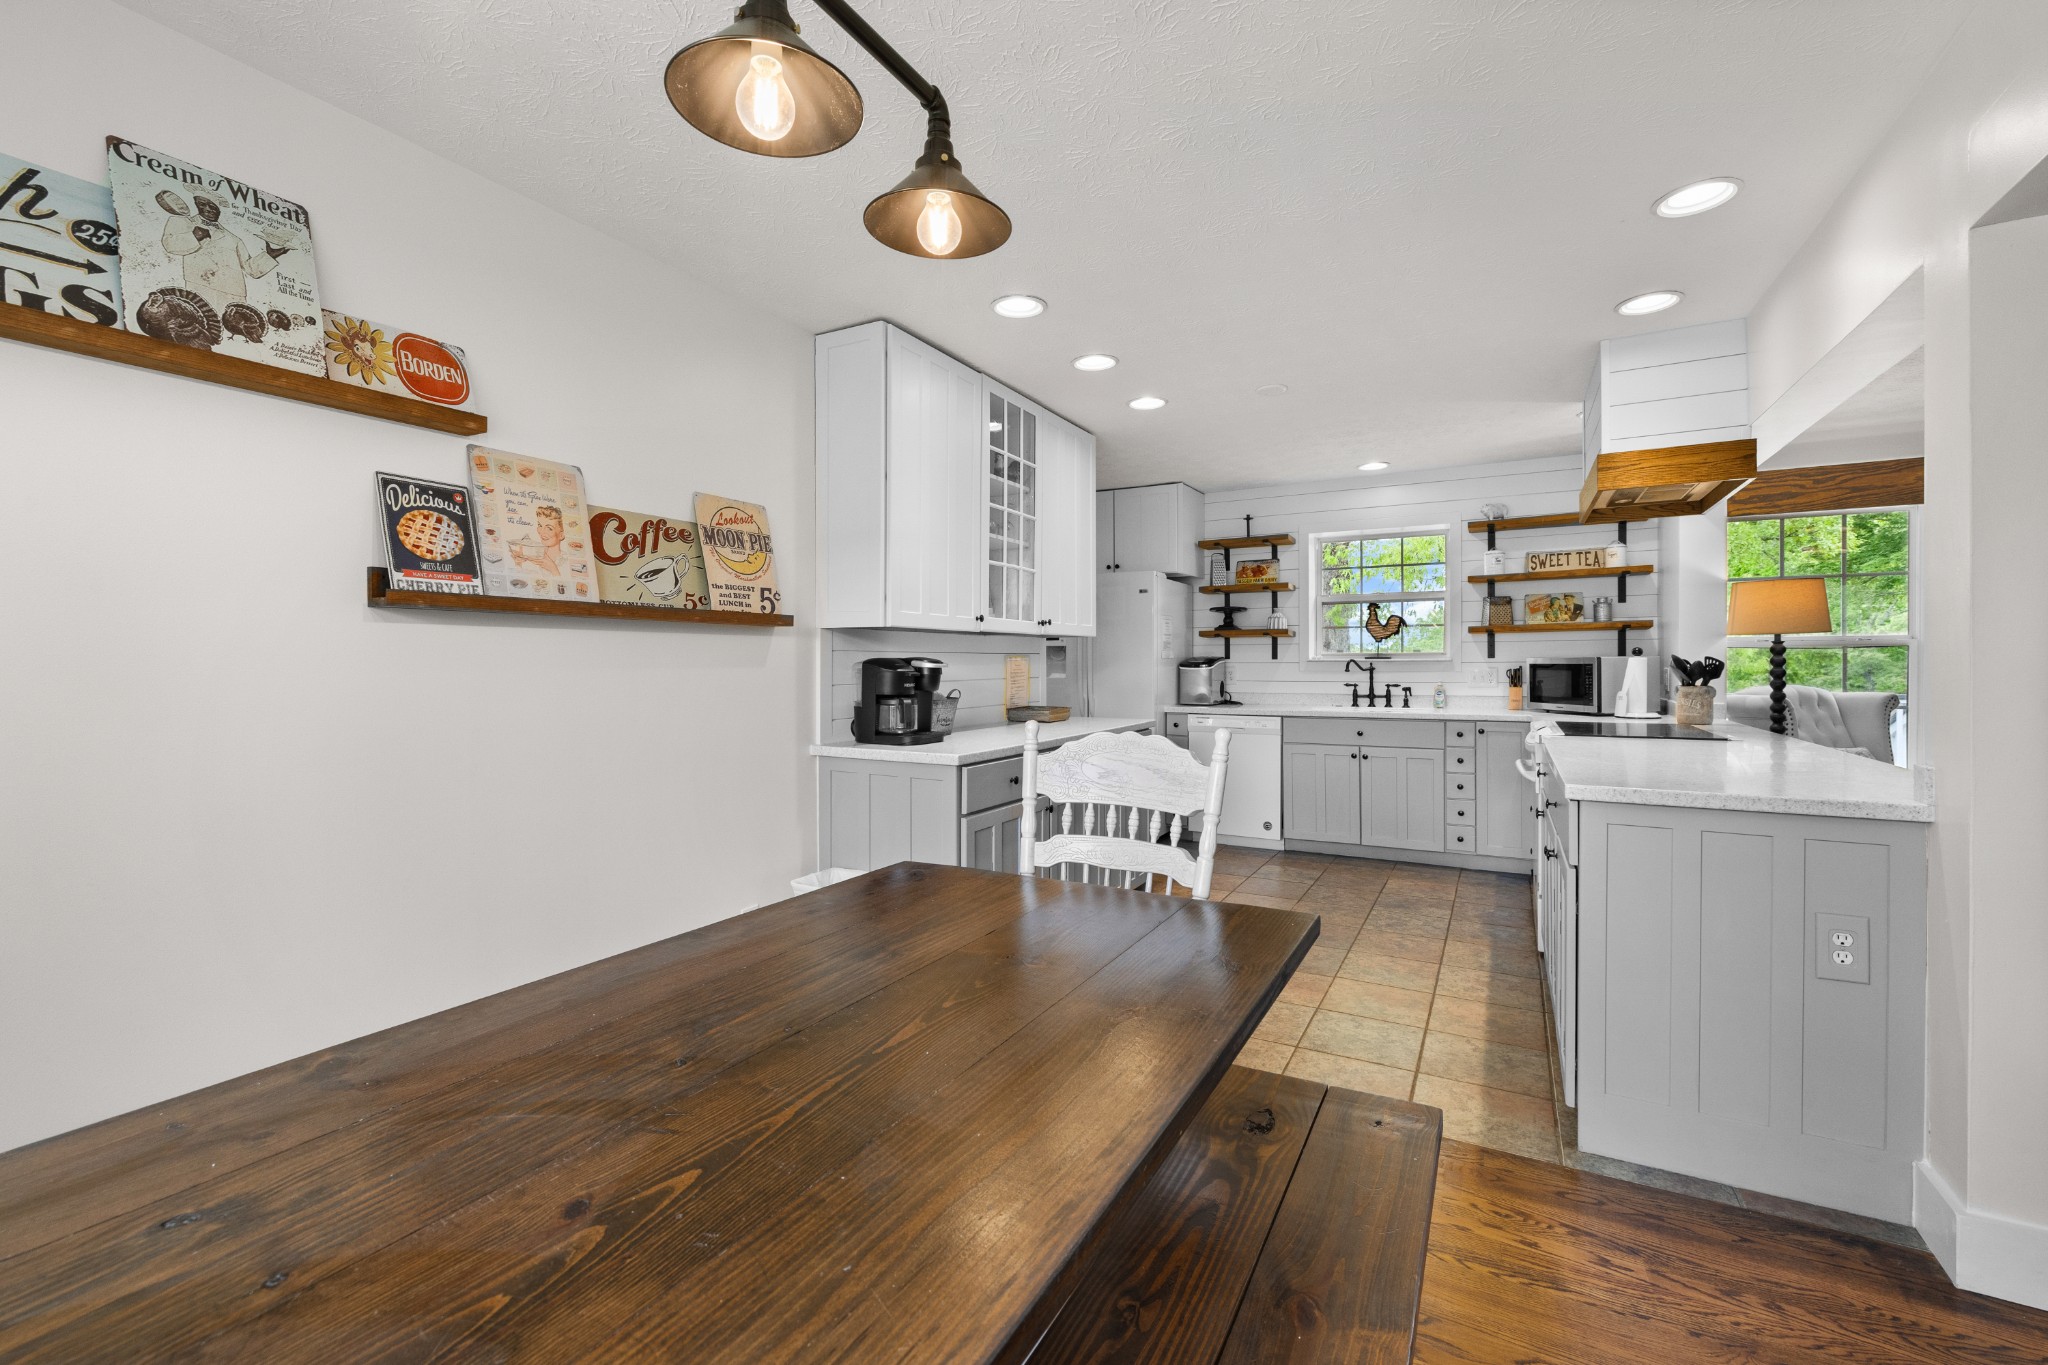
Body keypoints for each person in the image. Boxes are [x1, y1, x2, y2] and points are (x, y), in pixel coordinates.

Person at [159, 192, 291, 313]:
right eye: (202, 204)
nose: (208, 209)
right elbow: (170, 245)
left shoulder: (233, 239)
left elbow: (251, 269)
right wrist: (194, 236)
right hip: (202, 285)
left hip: (234, 292)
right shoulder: (184, 222)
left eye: (213, 206)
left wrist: (269, 256)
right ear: (196, 205)